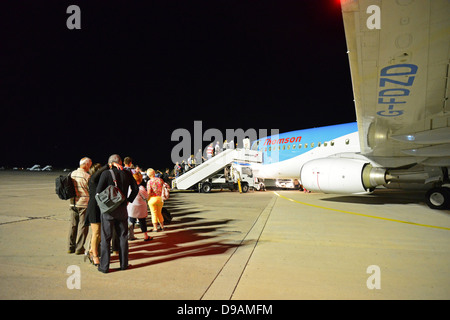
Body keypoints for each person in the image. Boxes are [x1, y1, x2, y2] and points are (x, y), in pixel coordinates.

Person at [96, 154, 139, 273]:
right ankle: (124, 264)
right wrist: (128, 201)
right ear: (120, 162)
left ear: (110, 163)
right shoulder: (127, 173)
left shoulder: (106, 174)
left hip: (108, 210)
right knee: (123, 237)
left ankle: (104, 267)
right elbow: (135, 189)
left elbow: (98, 191)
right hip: (122, 209)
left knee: (106, 238)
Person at [84, 162, 108, 266]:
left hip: (100, 208)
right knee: (96, 233)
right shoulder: (93, 180)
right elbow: (99, 172)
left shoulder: (100, 182)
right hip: (94, 208)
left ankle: (90, 251)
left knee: (100, 235)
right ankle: (95, 256)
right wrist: (109, 164)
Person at [68, 157, 92, 255]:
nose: (90, 166)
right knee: (83, 226)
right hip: (83, 204)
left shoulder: (72, 174)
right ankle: (79, 248)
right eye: (89, 164)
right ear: (86, 164)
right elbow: (90, 190)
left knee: (73, 225)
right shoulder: (87, 176)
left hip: (73, 203)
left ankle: (70, 247)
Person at [127, 172, 152, 241]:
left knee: (131, 222)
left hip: (131, 206)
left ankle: (131, 236)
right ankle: (145, 236)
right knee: (142, 221)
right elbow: (146, 197)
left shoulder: (129, 188)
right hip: (140, 207)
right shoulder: (141, 188)